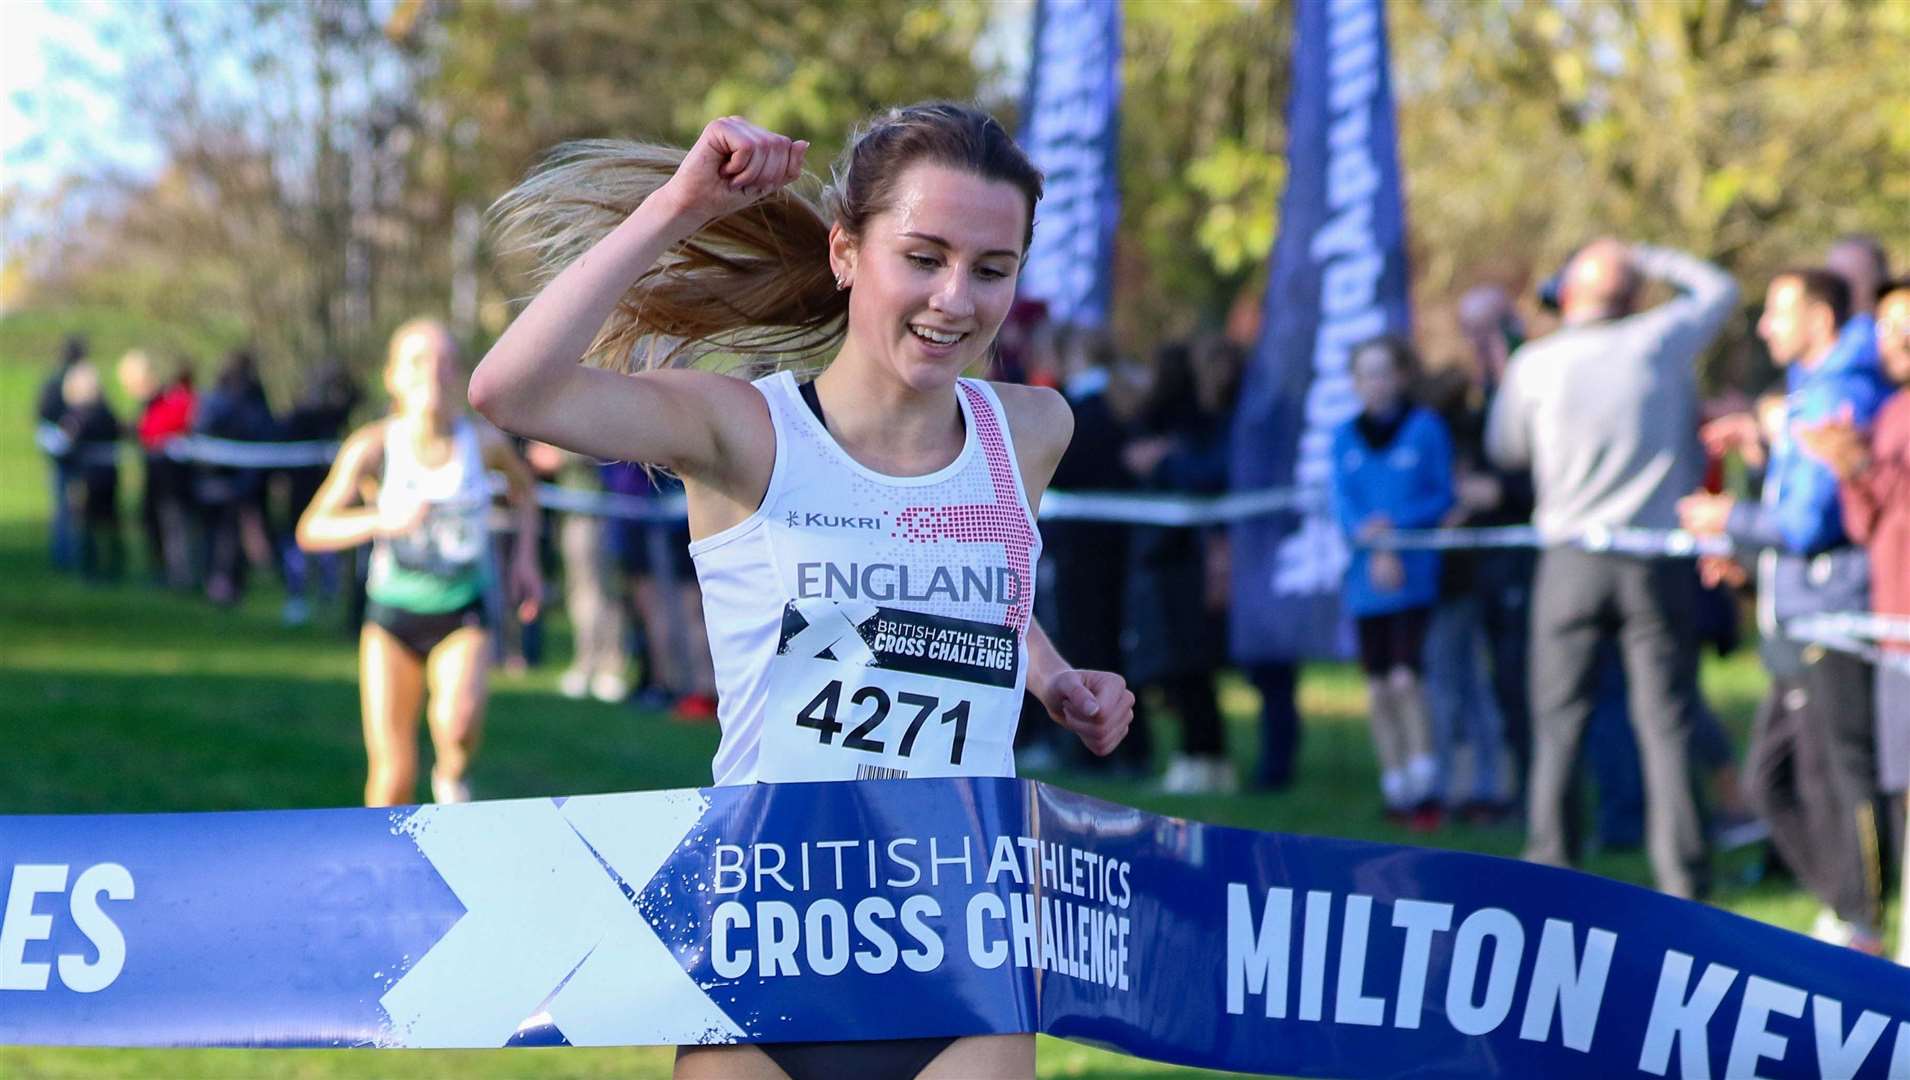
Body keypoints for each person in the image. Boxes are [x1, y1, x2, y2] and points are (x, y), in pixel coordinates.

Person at [470, 106, 1134, 1080]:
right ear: (845, 251)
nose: (955, 299)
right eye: (923, 256)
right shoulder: (743, 431)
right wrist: (680, 204)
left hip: (958, 954)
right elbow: (509, 392)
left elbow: (971, 574)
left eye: (990, 269)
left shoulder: (1028, 429)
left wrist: (1051, 675)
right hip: (765, 945)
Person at [1487, 238, 1736, 899]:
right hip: (1652, 559)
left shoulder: (1535, 363)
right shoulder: (1657, 341)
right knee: (1666, 721)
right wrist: (1650, 256)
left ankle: (1551, 872)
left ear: (1567, 294)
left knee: (1559, 720)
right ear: (1632, 296)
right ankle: (1685, 881)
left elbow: (1504, 447)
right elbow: (1719, 290)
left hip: (1570, 560)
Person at [1684, 268, 1892, 952]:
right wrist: (1742, 544)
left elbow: (1808, 524)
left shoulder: (1843, 394)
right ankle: (1847, 907)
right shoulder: (1809, 391)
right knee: (1772, 783)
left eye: (1779, 311)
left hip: (1836, 616)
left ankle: (1861, 920)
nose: (1767, 327)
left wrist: (1729, 518)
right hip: (1799, 614)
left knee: (1840, 774)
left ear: (1822, 319)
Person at [297, 319, 544, 808]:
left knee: (457, 724)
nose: (432, 372)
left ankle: (453, 778)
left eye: (444, 361)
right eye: (418, 361)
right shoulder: (373, 446)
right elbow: (312, 528)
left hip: (462, 609)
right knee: (391, 778)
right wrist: (378, 520)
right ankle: (385, 876)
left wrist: (526, 562)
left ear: (458, 375)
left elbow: (527, 495)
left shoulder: (484, 443)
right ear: (393, 376)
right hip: (392, 617)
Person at [1795, 276, 1910, 959]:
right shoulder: (1891, 411)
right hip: (1892, 628)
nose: (1893, 340)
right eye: (1887, 326)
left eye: (1907, 324)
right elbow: (1870, 523)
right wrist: (1852, 468)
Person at [1331, 335, 1453, 830]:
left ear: (1401, 376)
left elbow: (1441, 494)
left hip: (1411, 574)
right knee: (1379, 685)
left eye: (1385, 371)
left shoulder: (1425, 429)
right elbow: (1343, 504)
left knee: (1407, 679)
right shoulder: (1344, 436)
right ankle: (1395, 783)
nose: (1376, 382)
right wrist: (1368, 536)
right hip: (1367, 579)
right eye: (1367, 373)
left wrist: (1394, 530)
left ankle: (1426, 783)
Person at [59, 360, 125, 581]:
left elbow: (69, 447)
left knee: (87, 524)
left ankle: (91, 569)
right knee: (110, 523)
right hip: (109, 475)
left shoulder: (76, 416)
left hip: (86, 477)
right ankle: (115, 566)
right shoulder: (107, 412)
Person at [37, 334, 88, 571]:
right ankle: (69, 556)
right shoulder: (69, 381)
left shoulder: (52, 380)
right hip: (69, 450)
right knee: (70, 507)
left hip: (64, 450)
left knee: (64, 506)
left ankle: (67, 555)